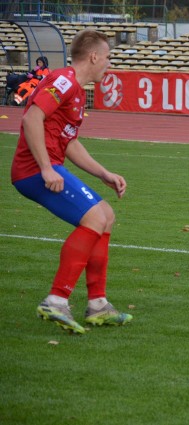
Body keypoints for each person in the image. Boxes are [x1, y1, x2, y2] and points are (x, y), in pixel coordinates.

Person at [10, 29, 133, 334]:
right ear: (93, 56)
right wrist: (46, 169)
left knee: (105, 216)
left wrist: (104, 173)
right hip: (34, 170)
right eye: (107, 57)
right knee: (94, 217)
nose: (108, 63)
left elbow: (70, 143)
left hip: (46, 165)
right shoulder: (63, 80)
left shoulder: (76, 91)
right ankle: (57, 299)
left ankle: (98, 305)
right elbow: (30, 119)